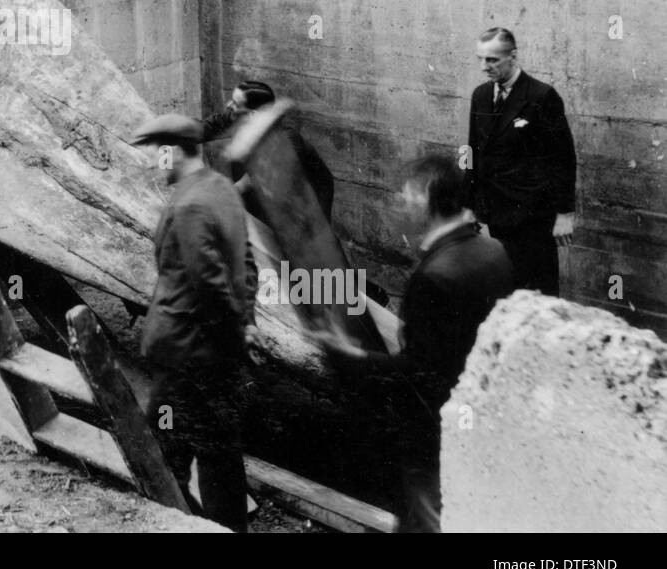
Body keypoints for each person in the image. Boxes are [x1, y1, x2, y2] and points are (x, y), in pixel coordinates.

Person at [311, 153, 512, 532]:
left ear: (427, 199)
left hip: (434, 431)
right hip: (479, 421)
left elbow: (421, 371)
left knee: (425, 519)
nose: (401, 206)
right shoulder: (494, 251)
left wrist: (351, 354)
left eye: (406, 198)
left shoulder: (435, 276)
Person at [130, 113, 263, 531]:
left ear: (172, 151)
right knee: (220, 452)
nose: (156, 161)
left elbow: (208, 285)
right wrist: (245, 326)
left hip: (187, 355)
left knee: (163, 449)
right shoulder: (221, 188)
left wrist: (228, 334)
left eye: (157, 152)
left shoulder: (189, 205)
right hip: (217, 357)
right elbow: (245, 264)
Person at [465, 27, 577, 295]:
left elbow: (562, 158)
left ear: (512, 56)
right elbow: (472, 152)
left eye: (492, 60)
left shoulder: (541, 96)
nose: (484, 66)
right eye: (480, 59)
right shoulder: (480, 95)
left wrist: (565, 213)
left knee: (540, 290)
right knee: (508, 284)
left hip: (534, 215)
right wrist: (467, 205)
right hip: (496, 212)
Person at [202, 79, 334, 220]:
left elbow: (257, 179)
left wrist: (224, 195)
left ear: (252, 114)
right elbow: (206, 128)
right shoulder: (239, 115)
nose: (228, 105)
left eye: (235, 103)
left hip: (309, 188)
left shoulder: (286, 138)